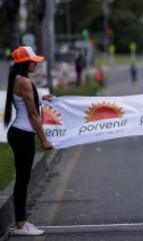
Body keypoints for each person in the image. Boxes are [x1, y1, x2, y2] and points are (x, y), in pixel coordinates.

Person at [4, 46, 53, 236]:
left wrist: (43, 98)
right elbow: (32, 114)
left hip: (20, 133)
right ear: (26, 62)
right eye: (33, 61)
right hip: (23, 135)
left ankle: (20, 222)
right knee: (22, 180)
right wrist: (44, 139)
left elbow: (30, 103)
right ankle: (20, 224)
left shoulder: (21, 79)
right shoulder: (23, 81)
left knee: (23, 179)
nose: (36, 63)